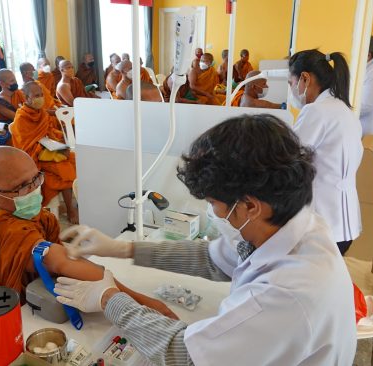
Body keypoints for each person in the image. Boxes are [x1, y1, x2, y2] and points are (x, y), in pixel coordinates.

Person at [56, 114, 357, 366]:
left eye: (214, 202)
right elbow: (212, 258)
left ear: (250, 206)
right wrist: (121, 248)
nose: (211, 212)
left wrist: (109, 298)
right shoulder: (291, 223)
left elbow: (185, 356)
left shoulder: (285, 295)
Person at [0, 146, 176, 362]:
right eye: (23, 187)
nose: (35, 190)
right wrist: (141, 302)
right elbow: (60, 261)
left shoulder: (25, 215)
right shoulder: (1, 227)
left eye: (36, 178)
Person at [288, 50, 363, 255]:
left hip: (326, 222)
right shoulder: (342, 108)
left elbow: (288, 157)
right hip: (344, 221)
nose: (292, 90)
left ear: (305, 78)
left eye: (291, 83)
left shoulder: (316, 111)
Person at [10, 81, 78, 223]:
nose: (40, 98)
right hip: (34, 158)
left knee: (75, 160)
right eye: (36, 95)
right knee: (64, 169)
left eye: (41, 94)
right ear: (26, 98)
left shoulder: (41, 113)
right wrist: (53, 152)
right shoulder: (21, 118)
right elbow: (25, 146)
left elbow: (50, 132)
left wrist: (59, 145)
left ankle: (75, 203)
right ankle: (71, 211)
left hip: (48, 150)